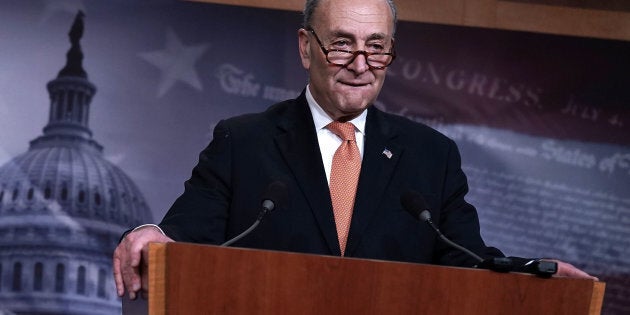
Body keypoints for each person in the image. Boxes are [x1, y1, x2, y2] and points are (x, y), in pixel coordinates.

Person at [113, 0, 596, 300]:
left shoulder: (432, 155)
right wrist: (149, 232)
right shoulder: (242, 141)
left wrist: (531, 276)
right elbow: (180, 233)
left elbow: (466, 262)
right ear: (306, 47)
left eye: (377, 46)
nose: (361, 65)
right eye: (342, 44)